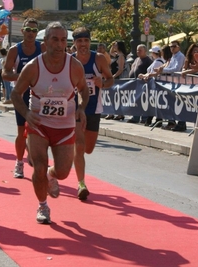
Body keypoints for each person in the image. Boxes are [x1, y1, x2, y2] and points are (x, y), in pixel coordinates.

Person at [11, 21, 89, 224]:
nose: (59, 44)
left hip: (64, 127)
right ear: (45, 41)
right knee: (38, 166)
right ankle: (43, 206)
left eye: (63, 40)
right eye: (55, 39)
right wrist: (27, 114)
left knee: (63, 172)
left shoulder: (74, 66)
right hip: (38, 125)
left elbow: (84, 90)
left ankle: (50, 175)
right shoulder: (33, 67)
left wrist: (81, 108)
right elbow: (16, 94)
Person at [72, 27, 114, 200]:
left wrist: (102, 83)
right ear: (74, 43)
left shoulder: (98, 59)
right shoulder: (69, 60)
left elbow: (111, 79)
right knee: (79, 147)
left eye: (86, 41)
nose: (83, 44)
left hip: (94, 109)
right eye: (80, 41)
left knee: (88, 149)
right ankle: (81, 183)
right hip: (75, 109)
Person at [2, 18, 46, 179]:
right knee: (22, 131)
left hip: (40, 95)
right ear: (22, 31)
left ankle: (40, 159)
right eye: (28, 30)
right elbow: (5, 74)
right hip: (21, 95)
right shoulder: (15, 50)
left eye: (34, 31)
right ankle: (19, 162)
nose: (31, 33)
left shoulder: (42, 48)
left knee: (41, 131)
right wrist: (22, 77)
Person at [156, 40, 185, 130]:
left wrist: (163, 70)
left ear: (178, 47)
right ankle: (172, 122)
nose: (172, 48)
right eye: (171, 47)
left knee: (178, 103)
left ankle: (180, 123)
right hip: (171, 82)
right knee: (171, 103)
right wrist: (162, 68)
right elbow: (169, 67)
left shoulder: (180, 56)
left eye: (174, 46)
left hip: (178, 82)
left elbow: (176, 68)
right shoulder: (173, 57)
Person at [138, 45, 167, 127]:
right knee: (152, 102)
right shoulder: (156, 61)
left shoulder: (158, 62)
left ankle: (154, 120)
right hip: (152, 84)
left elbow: (153, 73)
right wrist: (144, 75)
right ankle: (150, 119)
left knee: (155, 102)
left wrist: (144, 75)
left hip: (155, 84)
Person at [127, 44, 153, 124]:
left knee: (143, 101)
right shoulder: (137, 59)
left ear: (145, 51)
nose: (138, 52)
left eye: (140, 50)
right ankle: (135, 117)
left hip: (143, 84)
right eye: (137, 50)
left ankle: (144, 118)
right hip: (134, 83)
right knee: (135, 101)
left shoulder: (148, 60)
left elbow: (150, 71)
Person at [105, 40, 127, 121]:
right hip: (113, 78)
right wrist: (113, 44)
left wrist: (113, 77)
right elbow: (110, 52)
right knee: (111, 96)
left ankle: (120, 114)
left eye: (116, 45)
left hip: (117, 79)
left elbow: (120, 69)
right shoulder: (116, 55)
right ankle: (111, 113)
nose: (114, 47)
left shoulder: (121, 56)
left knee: (116, 97)